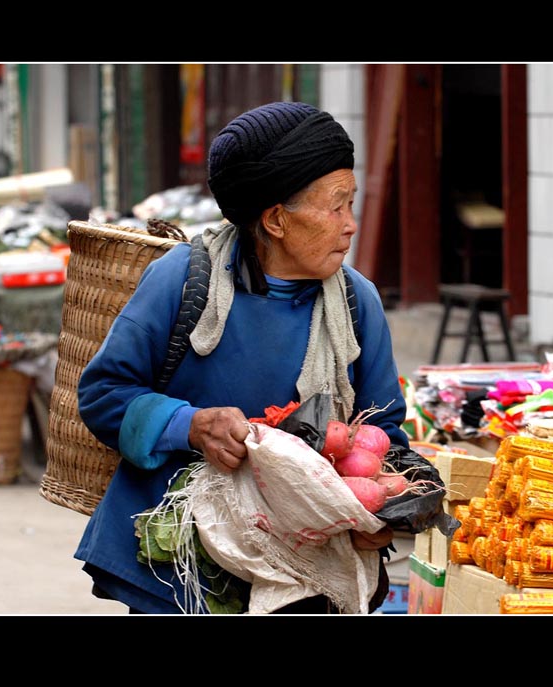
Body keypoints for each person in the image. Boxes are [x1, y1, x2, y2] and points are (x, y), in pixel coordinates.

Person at [74, 101, 409, 614]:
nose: (351, 225)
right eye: (336, 206)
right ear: (276, 219)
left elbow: (384, 435)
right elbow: (103, 395)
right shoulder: (182, 280)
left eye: (351, 203)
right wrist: (190, 425)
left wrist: (384, 510)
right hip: (182, 568)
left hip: (305, 571)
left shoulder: (356, 303)